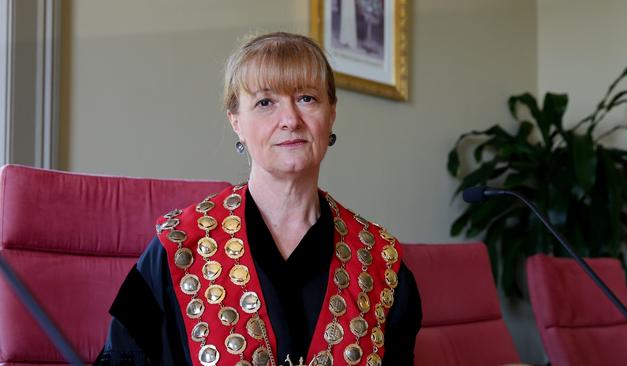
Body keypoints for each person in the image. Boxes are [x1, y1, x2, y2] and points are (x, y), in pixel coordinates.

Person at [96, 32, 421, 366]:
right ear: (236, 121)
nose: (291, 119)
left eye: (307, 98)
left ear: (331, 113)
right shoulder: (174, 249)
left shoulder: (383, 264)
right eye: (265, 102)